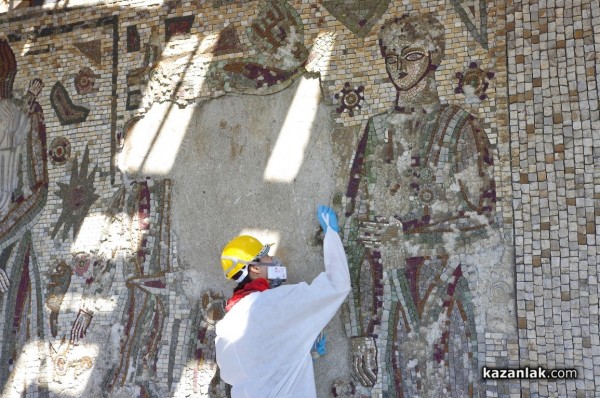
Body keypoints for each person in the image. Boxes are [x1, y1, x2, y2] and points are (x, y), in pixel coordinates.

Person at [343, 13, 496, 397]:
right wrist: (360, 329)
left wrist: (409, 240)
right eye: (391, 57)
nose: (399, 67)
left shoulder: (460, 126)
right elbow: (356, 231)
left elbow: (484, 224)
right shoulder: (376, 129)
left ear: (433, 56)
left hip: (440, 297)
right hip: (387, 303)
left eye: (410, 55)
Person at [215, 205, 350, 397]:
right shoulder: (275, 302)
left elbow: (256, 371)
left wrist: (299, 348)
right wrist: (331, 236)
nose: (274, 260)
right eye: (267, 257)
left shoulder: (225, 328)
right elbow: (337, 284)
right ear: (254, 269)